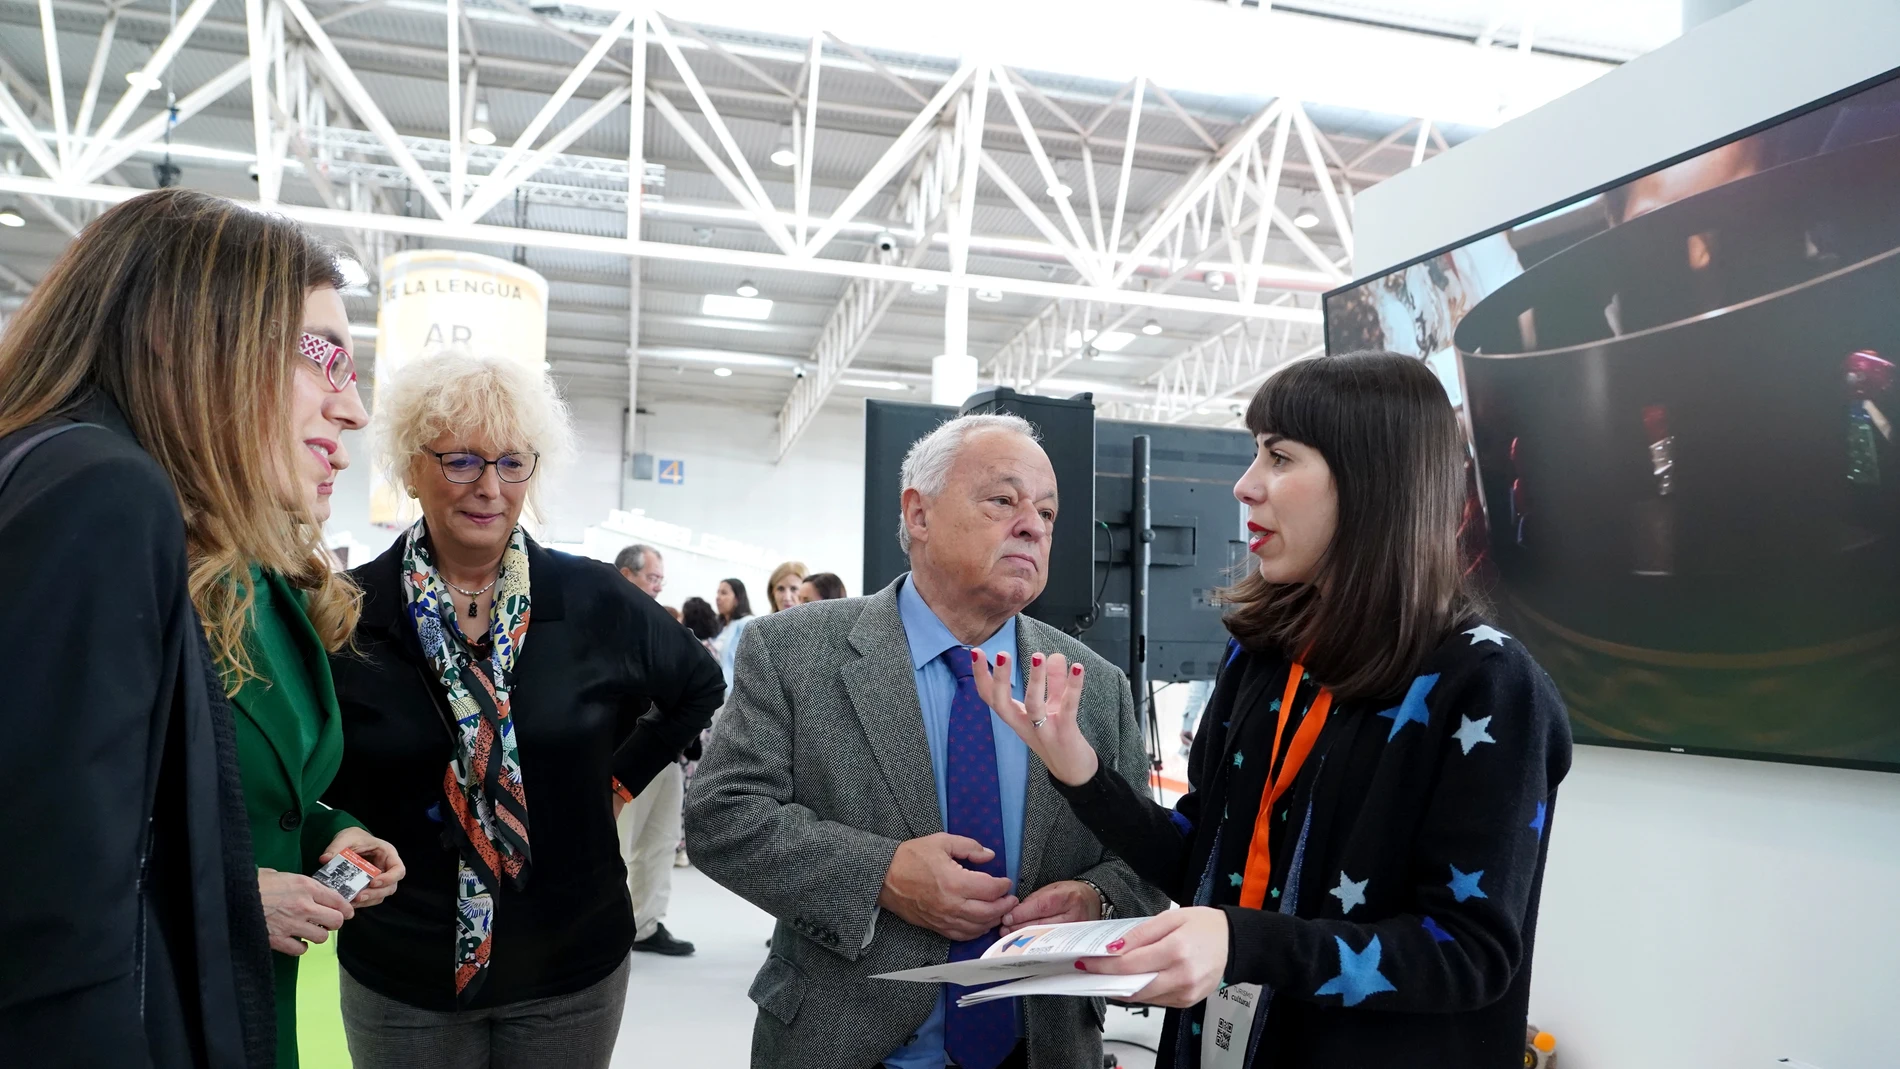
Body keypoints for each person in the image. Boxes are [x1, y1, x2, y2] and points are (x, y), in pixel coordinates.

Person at [967, 351, 1573, 1069]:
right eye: (1256, 454)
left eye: (1279, 457)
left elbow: (1469, 952)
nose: (1246, 485)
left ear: (1374, 479)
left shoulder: (1485, 681)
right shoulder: (1264, 654)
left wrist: (1240, 940)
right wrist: (1079, 769)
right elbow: (1203, 854)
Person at [686, 413, 1167, 1069]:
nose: (1033, 524)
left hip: (1042, 1046)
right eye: (1004, 499)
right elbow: (721, 815)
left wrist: (1094, 900)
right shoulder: (794, 652)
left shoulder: (1094, 685)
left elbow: (1146, 862)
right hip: (842, 1042)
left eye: (1048, 513)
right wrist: (879, 874)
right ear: (919, 513)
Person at [0, 188, 346, 1066]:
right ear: (184, 329)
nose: (351, 408)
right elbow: (56, 938)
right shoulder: (105, 490)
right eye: (323, 356)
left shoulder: (58, 467)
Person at [324, 350, 725, 1068]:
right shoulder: (348, 613)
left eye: (512, 463)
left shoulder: (594, 599)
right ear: (413, 467)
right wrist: (337, 829)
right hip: (403, 968)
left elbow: (699, 683)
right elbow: (309, 769)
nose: (489, 487)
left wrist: (621, 778)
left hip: (569, 962)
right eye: (462, 461)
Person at [231, 239, 405, 1069]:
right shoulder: (109, 535)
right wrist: (227, 896)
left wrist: (332, 833)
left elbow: (262, 797)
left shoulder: (270, 580)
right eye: (325, 355)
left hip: (258, 1005)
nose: (353, 413)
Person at [612, 541, 697, 957]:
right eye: (653, 578)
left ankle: (645, 924)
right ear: (627, 576)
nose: (659, 587)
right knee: (619, 843)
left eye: (662, 579)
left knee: (661, 840)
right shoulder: (604, 623)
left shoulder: (662, 625)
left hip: (668, 751)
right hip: (627, 751)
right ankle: (606, 927)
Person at [712, 577, 755, 693]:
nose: (718, 597)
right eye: (718, 592)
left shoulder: (746, 623)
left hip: (731, 692)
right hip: (716, 689)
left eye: (724, 593)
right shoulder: (722, 626)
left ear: (737, 599)